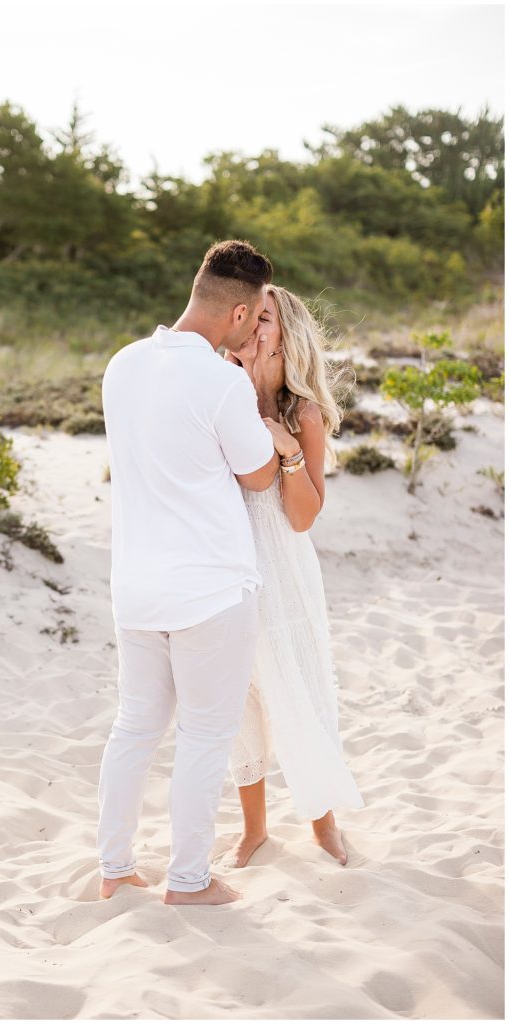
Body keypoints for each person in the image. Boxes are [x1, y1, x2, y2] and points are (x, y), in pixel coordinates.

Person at [97, 240, 280, 906]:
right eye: (257, 315)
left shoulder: (122, 365)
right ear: (237, 313)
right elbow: (259, 475)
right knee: (206, 734)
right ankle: (188, 881)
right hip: (209, 590)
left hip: (136, 588)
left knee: (135, 727)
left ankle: (115, 870)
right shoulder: (221, 381)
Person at [223, 284, 365, 870]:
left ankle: (323, 822)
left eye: (267, 318)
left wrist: (287, 449)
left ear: (287, 332)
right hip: (228, 562)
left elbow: (304, 516)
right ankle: (254, 829)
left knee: (303, 688)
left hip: (285, 565)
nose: (257, 327)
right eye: (251, 315)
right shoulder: (220, 393)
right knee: (239, 695)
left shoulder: (303, 412)